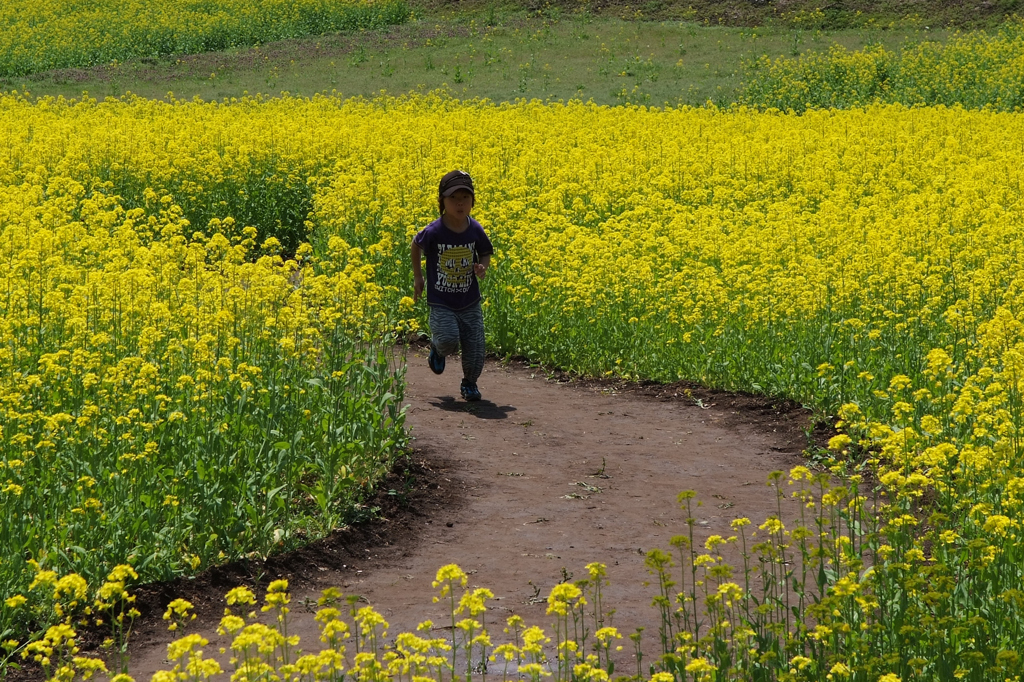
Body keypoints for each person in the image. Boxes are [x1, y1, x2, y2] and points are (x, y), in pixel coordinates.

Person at [411, 170, 494, 402]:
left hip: (469, 301)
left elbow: (485, 252)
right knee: (448, 340)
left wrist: (482, 267)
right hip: (441, 301)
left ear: (473, 202)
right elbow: (415, 245)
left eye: (465, 198)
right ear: (442, 201)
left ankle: (469, 384)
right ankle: (437, 349)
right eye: (453, 198)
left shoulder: (475, 228)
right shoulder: (434, 230)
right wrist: (418, 276)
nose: (460, 203)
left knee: (476, 348)